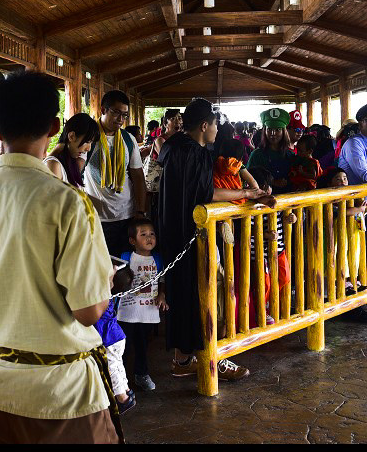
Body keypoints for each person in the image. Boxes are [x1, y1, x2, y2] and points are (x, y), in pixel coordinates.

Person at [0, 72, 119, 444]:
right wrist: (104, 282)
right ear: (56, 127)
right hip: (59, 396)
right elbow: (88, 311)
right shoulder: (68, 203)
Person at [157, 97, 268, 382]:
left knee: (183, 295)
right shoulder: (195, 152)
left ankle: (183, 358)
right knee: (205, 294)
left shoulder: (171, 147)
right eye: (216, 124)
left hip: (172, 231)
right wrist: (248, 194)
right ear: (204, 125)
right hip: (192, 235)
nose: (218, 130)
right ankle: (212, 357)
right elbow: (208, 194)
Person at [84, 90, 147, 257]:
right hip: (97, 216)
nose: (120, 119)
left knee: (125, 265)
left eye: (124, 115)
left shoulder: (128, 139)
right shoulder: (89, 137)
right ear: (103, 110)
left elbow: (138, 177)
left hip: (126, 215)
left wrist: (140, 211)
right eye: (116, 113)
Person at [319, 167, 367, 323]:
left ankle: (356, 303)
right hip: (336, 246)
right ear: (330, 184)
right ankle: (351, 310)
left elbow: (356, 215)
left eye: (345, 178)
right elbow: (342, 213)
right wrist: (359, 209)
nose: (343, 181)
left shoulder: (350, 198)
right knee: (339, 275)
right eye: (338, 179)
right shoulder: (330, 200)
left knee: (351, 273)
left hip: (350, 245)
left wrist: (363, 210)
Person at [116, 217, 167, 393]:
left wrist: (162, 295)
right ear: (132, 241)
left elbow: (162, 280)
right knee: (124, 347)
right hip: (127, 313)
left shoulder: (158, 259)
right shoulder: (126, 257)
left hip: (147, 313)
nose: (149, 238)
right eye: (143, 234)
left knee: (143, 346)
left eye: (152, 234)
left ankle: (141, 374)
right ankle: (120, 380)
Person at [95, 267, 136, 415]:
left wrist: (109, 274)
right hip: (117, 338)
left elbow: (106, 284)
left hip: (111, 340)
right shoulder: (109, 298)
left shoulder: (103, 298)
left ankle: (122, 399)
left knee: (113, 368)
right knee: (118, 365)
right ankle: (126, 390)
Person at [44, 113, 100, 186]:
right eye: (87, 142)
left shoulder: (71, 162)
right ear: (71, 136)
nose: (88, 149)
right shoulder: (53, 165)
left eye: (91, 143)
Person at [246, 108, 295, 193]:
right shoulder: (256, 155)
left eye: (277, 130)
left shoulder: (290, 155)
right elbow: (247, 179)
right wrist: (271, 182)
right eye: (269, 129)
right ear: (264, 130)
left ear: (284, 131)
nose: (273, 133)